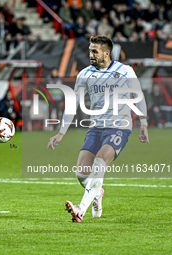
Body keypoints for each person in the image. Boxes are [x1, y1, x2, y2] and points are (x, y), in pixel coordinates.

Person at [47, 36, 149, 223]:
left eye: (95, 51)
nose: (91, 54)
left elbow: (138, 96)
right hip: (96, 128)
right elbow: (73, 105)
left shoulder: (125, 71)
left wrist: (143, 123)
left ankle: (80, 209)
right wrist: (61, 132)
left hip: (119, 127)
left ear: (106, 53)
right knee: (81, 174)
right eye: (90, 50)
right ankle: (97, 194)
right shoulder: (84, 74)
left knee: (100, 162)